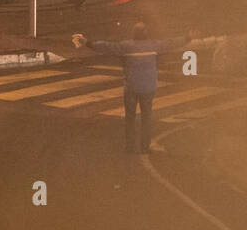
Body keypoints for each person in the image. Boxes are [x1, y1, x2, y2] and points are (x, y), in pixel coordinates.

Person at [73, 23, 196, 154]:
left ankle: (130, 147)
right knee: (146, 117)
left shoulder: (126, 46)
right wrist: (188, 37)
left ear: (134, 34)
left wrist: (87, 43)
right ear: (146, 33)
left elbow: (106, 47)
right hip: (148, 87)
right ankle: (145, 147)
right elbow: (171, 43)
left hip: (131, 87)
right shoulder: (154, 45)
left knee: (130, 118)